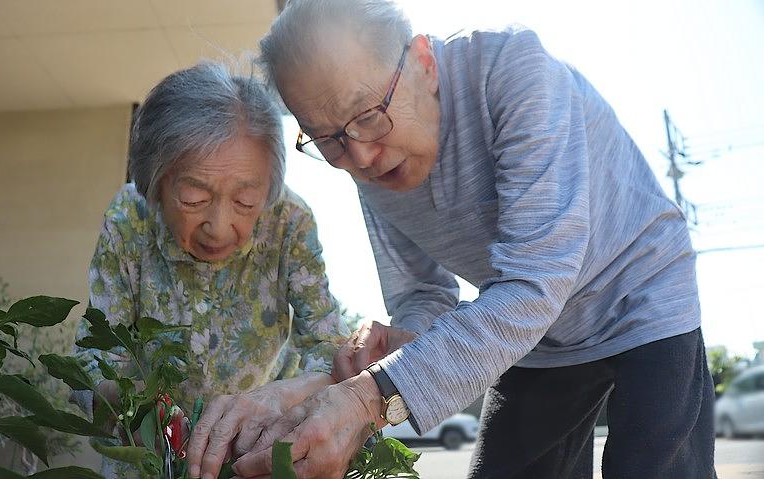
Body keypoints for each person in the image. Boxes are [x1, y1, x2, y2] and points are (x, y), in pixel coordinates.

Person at [191, 1, 718, 478]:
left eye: (369, 116)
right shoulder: (363, 155)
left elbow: (535, 280)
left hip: (641, 295)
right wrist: (398, 350)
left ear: (422, 60)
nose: (362, 158)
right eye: (327, 140)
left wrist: (372, 398)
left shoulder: (512, 70)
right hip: (533, 335)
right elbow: (422, 296)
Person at [74, 61, 349, 477]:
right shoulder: (129, 218)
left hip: (257, 451)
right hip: (150, 455)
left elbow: (329, 349)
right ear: (155, 182)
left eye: (245, 202)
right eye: (193, 197)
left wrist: (275, 403)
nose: (219, 227)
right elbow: (95, 355)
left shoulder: (289, 221)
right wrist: (137, 407)